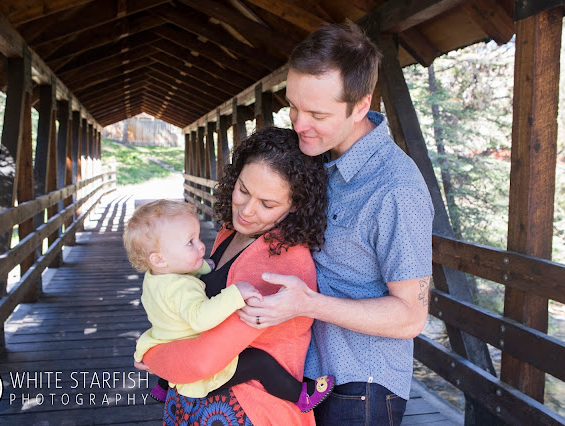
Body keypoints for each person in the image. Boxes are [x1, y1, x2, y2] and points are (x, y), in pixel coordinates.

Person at [236, 21, 434, 425]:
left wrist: (307, 303)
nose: (298, 123)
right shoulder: (316, 153)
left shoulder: (396, 189)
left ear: (361, 106)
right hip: (298, 371)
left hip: (360, 386)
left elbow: (411, 317)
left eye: (317, 113)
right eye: (293, 106)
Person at [136, 127, 330, 425]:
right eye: (243, 190)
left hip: (246, 411)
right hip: (196, 404)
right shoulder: (231, 231)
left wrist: (157, 358)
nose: (247, 211)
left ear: (296, 207)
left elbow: (204, 360)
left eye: (267, 204)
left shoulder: (280, 261)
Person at [123, 199, 334, 413]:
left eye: (197, 238)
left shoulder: (155, 278)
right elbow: (200, 317)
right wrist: (235, 294)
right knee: (259, 362)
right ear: (159, 259)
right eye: (190, 243)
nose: (201, 245)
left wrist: (204, 266)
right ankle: (301, 396)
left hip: (170, 344)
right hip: (197, 368)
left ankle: (164, 385)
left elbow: (179, 277)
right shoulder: (181, 289)